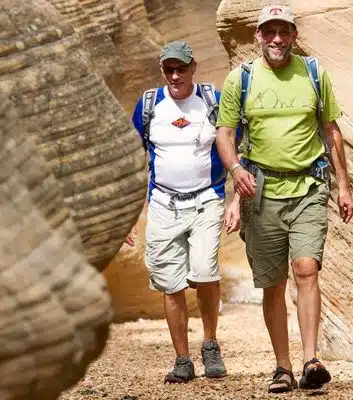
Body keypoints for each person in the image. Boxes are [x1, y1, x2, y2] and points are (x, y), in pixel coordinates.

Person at [215, 5, 353, 393]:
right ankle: (283, 366)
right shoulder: (239, 80)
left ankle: (311, 360)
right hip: (261, 194)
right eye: (270, 32)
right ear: (258, 36)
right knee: (273, 284)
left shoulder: (314, 73)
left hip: (309, 188)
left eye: (285, 32)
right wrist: (235, 171)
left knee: (307, 269)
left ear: (294, 35)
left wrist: (343, 185)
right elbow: (225, 134)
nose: (277, 39)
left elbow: (331, 131)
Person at [127, 40, 241, 384]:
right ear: (162, 70)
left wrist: (236, 200)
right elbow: (132, 161)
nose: (175, 75)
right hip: (163, 204)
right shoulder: (148, 106)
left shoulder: (212, 100)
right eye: (169, 69)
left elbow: (236, 146)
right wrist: (129, 214)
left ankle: (210, 344)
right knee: (170, 284)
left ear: (194, 67)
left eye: (181, 68)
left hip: (207, 199)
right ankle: (182, 359)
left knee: (205, 272)